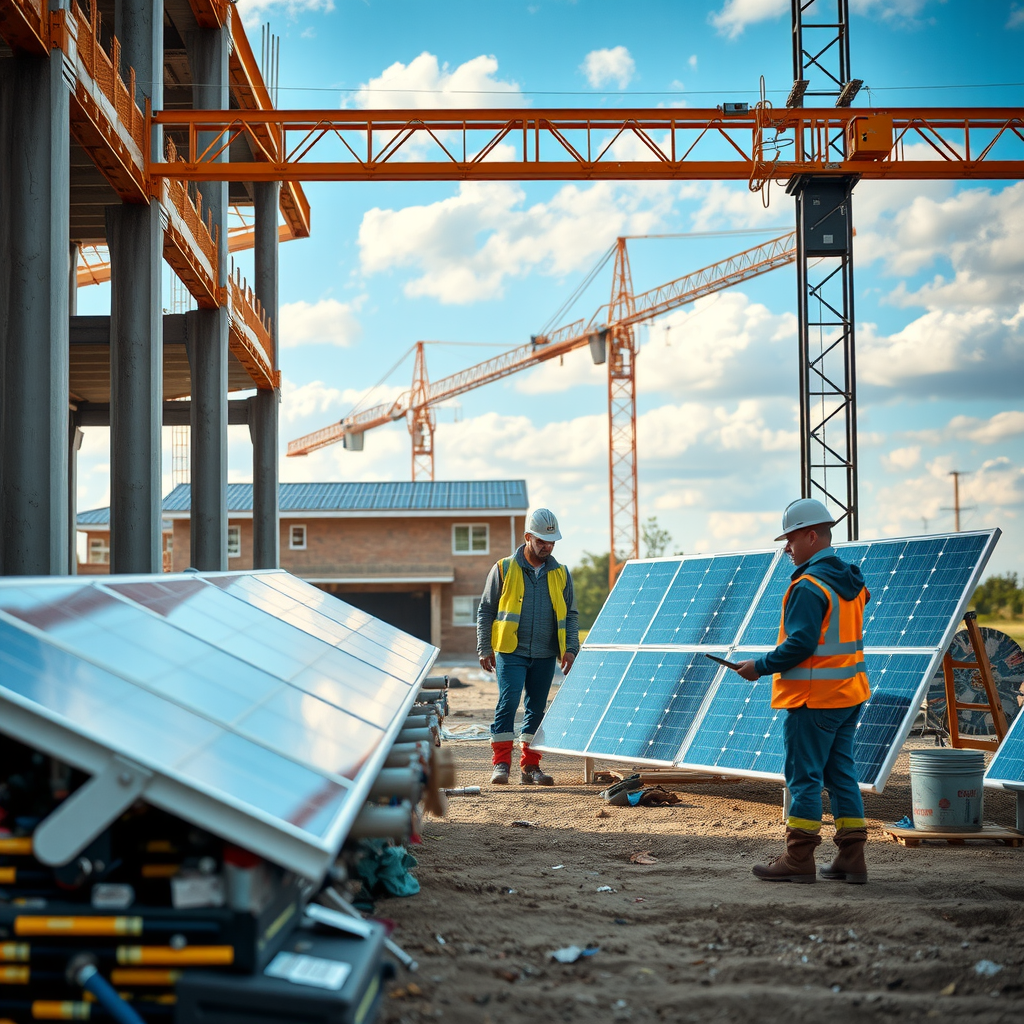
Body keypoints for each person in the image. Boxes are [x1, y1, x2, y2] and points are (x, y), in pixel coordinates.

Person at [734, 498, 871, 885]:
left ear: (812, 536)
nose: (787, 549)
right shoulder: (852, 581)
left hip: (815, 699)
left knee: (804, 778)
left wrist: (759, 666)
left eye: (791, 540)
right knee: (841, 775)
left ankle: (798, 858)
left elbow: (801, 644)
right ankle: (852, 858)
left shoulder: (809, 586)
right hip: (850, 693)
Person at [476, 507, 580, 785]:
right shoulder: (504, 568)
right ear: (528, 538)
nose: (548, 547)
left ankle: (530, 767)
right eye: (542, 541)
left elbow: (570, 614)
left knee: (537, 708)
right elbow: (486, 609)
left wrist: (571, 648)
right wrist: (484, 647)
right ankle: (501, 764)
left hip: (545, 653)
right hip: (511, 651)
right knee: (508, 702)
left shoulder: (561, 573)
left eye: (552, 542)